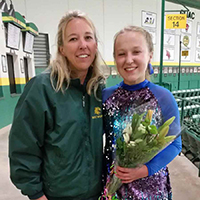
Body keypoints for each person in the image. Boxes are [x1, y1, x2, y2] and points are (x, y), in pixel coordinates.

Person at [9, 10, 105, 200]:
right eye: (73, 39)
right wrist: (36, 193)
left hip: (97, 194)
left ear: (95, 45)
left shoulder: (98, 90)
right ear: (61, 48)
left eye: (88, 37)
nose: (82, 45)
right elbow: (23, 148)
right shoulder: (42, 89)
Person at [102, 26, 182, 199]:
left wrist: (144, 170)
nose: (129, 60)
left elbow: (175, 145)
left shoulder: (163, 97)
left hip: (150, 189)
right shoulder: (106, 97)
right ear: (115, 58)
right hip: (113, 186)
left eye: (136, 52)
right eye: (121, 54)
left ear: (150, 55)